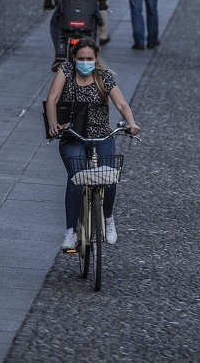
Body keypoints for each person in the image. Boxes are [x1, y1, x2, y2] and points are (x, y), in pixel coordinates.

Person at [45, 38, 140, 250]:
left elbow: (121, 103)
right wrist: (53, 123)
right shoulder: (66, 71)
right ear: (73, 58)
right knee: (76, 177)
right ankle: (70, 232)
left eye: (89, 58)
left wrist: (131, 123)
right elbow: (52, 98)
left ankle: (108, 218)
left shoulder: (104, 77)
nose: (85, 62)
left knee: (109, 174)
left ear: (96, 58)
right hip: (72, 134)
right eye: (81, 58)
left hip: (101, 134)